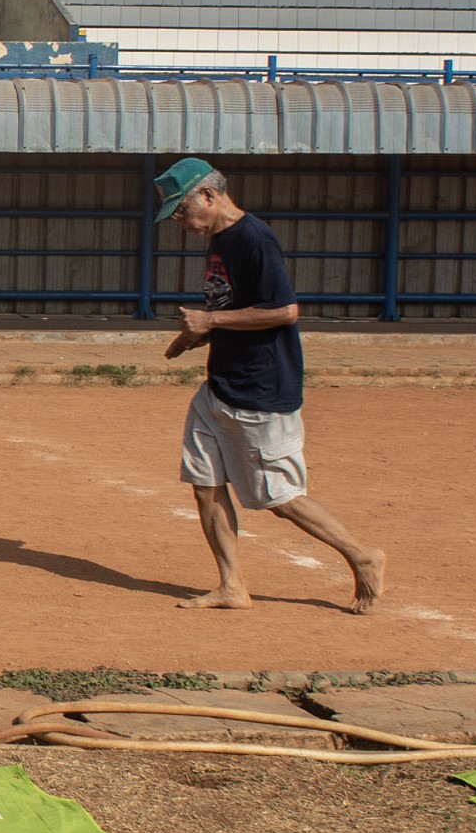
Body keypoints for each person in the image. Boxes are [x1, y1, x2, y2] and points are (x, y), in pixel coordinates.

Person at [153, 157, 385, 614]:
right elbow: (237, 307)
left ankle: (361, 555)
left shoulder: (254, 238)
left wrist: (212, 319)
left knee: (278, 498)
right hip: (220, 385)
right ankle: (232, 585)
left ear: (208, 195)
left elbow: (284, 311)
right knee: (205, 482)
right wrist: (192, 337)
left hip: (261, 390)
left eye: (182, 211)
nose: (181, 222)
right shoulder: (220, 240)